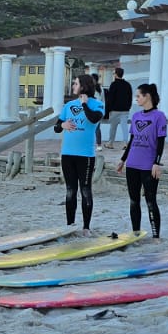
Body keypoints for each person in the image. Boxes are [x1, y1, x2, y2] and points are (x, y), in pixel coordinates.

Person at [114, 83, 167, 237]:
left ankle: (156, 236)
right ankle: (135, 232)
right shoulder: (136, 116)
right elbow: (132, 140)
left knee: (151, 201)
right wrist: (123, 160)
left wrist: (156, 163)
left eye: (138, 96)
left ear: (147, 96)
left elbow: (161, 142)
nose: (136, 99)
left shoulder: (159, 116)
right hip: (132, 164)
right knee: (133, 200)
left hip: (148, 166)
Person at [55, 74, 105, 233]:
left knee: (85, 190)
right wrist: (63, 124)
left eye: (75, 83)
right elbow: (56, 127)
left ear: (83, 86)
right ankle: (70, 225)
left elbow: (93, 119)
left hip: (86, 156)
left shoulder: (98, 104)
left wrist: (84, 105)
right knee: (70, 190)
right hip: (68, 154)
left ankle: (86, 227)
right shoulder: (69, 105)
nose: (73, 86)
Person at [105, 67, 133, 147]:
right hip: (125, 110)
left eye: (114, 73)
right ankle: (125, 143)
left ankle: (110, 143)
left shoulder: (114, 84)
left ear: (116, 74)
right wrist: (128, 106)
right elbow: (130, 97)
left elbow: (110, 98)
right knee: (124, 127)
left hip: (115, 110)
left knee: (113, 128)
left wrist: (108, 109)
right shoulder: (127, 84)